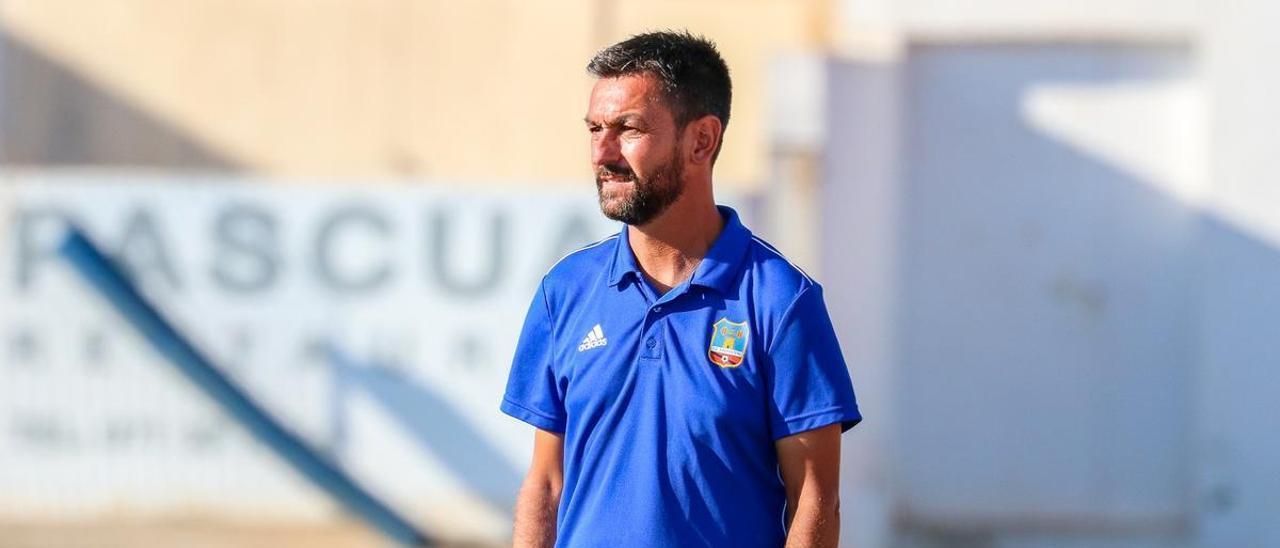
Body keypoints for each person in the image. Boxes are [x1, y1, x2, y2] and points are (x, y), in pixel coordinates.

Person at [500, 30, 861, 547]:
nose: (602, 152)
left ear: (701, 140)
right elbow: (546, 484)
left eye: (627, 128)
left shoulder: (782, 302)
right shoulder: (566, 291)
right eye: (595, 128)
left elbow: (815, 501)